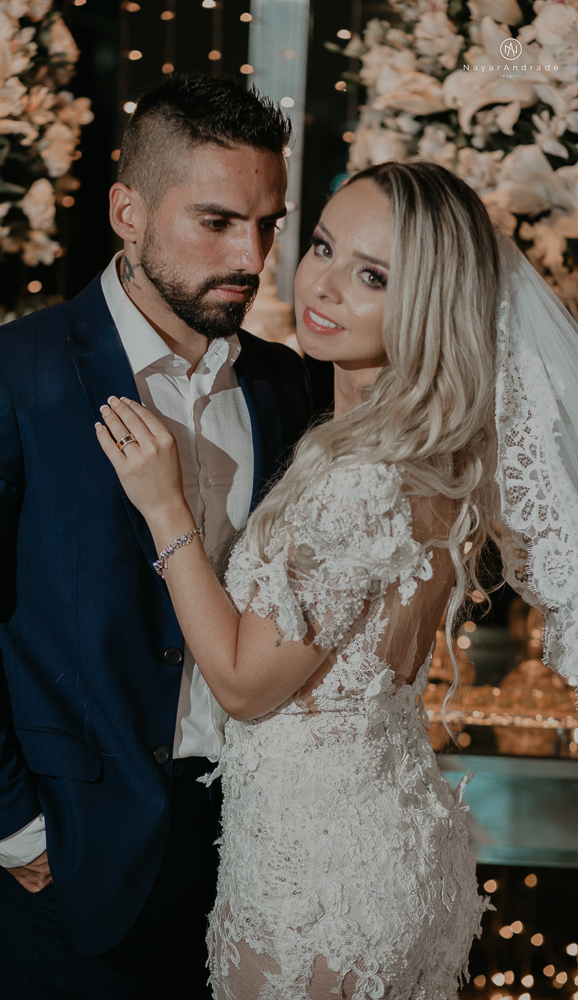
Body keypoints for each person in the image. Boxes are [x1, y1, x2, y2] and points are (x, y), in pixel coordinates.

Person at [95, 159, 578, 1000]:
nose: (321, 285)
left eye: (372, 276)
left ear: (427, 304)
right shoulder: (430, 458)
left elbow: (246, 685)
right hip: (392, 840)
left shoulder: (361, 478)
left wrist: (165, 509)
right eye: (320, 246)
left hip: (319, 877)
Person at [0, 74, 311, 999]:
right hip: (78, 848)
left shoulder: (287, 383)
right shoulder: (2, 378)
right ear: (127, 212)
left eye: (267, 224)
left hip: (263, 846)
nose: (251, 257)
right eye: (215, 222)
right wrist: (12, 827)